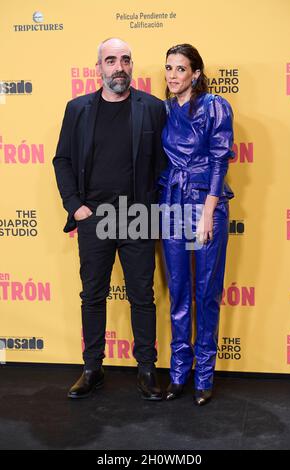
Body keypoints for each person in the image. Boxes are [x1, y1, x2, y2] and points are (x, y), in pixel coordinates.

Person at [53, 38, 167, 400]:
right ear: (98, 68)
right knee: (93, 297)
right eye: (111, 60)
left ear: (132, 65)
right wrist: (76, 206)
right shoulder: (78, 110)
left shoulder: (152, 108)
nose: (120, 67)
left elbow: (165, 163)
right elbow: (63, 160)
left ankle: (147, 370)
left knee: (142, 298)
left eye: (126, 60)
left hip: (138, 215)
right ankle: (92, 368)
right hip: (94, 217)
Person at [158, 44, 235, 406]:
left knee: (205, 292)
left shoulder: (215, 106)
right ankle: (178, 374)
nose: (173, 75)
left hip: (205, 205)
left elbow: (221, 161)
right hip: (172, 201)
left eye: (181, 69)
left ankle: (204, 375)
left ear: (196, 74)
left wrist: (207, 212)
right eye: (169, 68)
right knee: (178, 291)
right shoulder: (164, 109)